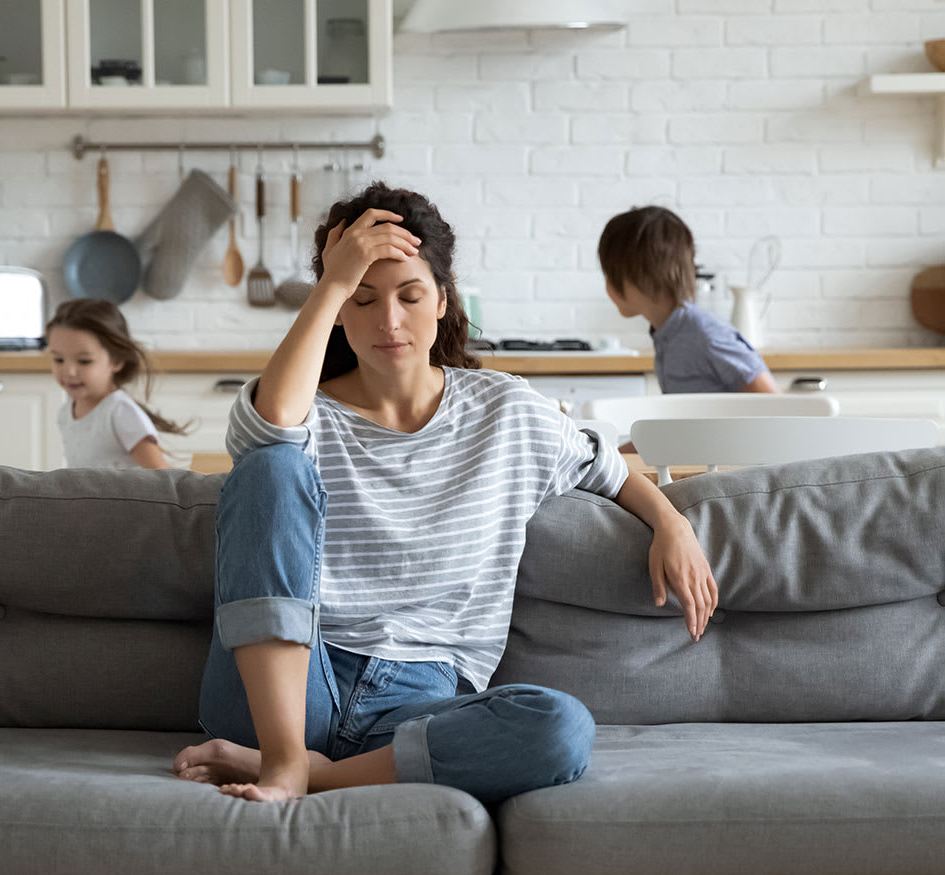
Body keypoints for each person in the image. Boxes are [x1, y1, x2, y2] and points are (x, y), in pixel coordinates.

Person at [173, 183, 718, 805]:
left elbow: (612, 472)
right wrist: (330, 280)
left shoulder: (506, 412)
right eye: (362, 297)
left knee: (560, 728)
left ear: (441, 302)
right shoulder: (303, 412)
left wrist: (672, 524)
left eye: (410, 295)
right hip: (287, 681)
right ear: (338, 309)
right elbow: (268, 428)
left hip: (419, 701)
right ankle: (284, 753)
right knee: (270, 466)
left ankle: (303, 773)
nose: (389, 321)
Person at [598, 205, 780, 395]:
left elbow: (772, 401)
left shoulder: (706, 334)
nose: (607, 286)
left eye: (610, 275)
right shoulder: (666, 332)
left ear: (641, 277)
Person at [46, 298, 187, 470]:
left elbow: (163, 477)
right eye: (59, 359)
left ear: (117, 360)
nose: (69, 371)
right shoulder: (66, 411)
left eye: (84, 361)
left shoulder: (120, 412)